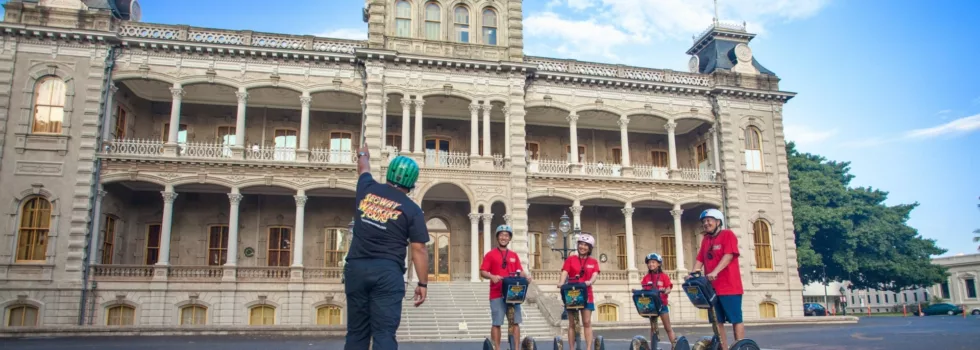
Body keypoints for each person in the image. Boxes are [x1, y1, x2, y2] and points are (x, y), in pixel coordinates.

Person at [344, 142, 429, 350]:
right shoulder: (412, 209)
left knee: (356, 332)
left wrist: (363, 152)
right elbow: (419, 249)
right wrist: (423, 284)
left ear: (389, 173)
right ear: (412, 183)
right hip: (387, 273)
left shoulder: (367, 188)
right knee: (384, 333)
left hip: (356, 268)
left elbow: (363, 166)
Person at [687, 208, 744, 349]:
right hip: (711, 289)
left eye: (709, 220)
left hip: (730, 287)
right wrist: (693, 274)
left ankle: (740, 346)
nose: (706, 223)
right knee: (717, 321)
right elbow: (700, 259)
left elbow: (729, 255)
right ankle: (723, 348)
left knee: (735, 319)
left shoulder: (727, 235)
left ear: (718, 222)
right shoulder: (706, 239)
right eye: (704, 221)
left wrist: (715, 271)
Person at [479, 224, 532, 350]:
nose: (504, 237)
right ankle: (497, 348)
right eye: (501, 235)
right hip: (497, 293)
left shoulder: (514, 255)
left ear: (509, 238)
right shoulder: (490, 255)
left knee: (515, 322)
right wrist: (492, 276)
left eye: (506, 235)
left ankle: (516, 348)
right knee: (497, 323)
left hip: (513, 293)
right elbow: (483, 271)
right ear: (497, 237)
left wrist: (527, 276)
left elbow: (520, 270)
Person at [556, 233, 600, 350]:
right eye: (581, 244)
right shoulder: (571, 259)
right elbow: (565, 271)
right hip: (572, 293)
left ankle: (588, 348)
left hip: (587, 294)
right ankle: (571, 348)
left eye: (586, 245)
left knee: (586, 322)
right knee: (572, 323)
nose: (583, 247)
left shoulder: (593, 262)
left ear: (590, 248)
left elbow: (595, 274)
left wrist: (590, 281)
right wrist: (561, 282)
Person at [636, 253, 676, 346]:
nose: (651, 264)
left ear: (659, 264)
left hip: (662, 305)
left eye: (653, 262)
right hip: (651, 306)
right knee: (653, 328)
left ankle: (674, 346)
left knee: (668, 328)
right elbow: (644, 290)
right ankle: (654, 347)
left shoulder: (664, 276)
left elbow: (669, 288)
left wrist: (665, 291)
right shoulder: (646, 278)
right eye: (649, 263)